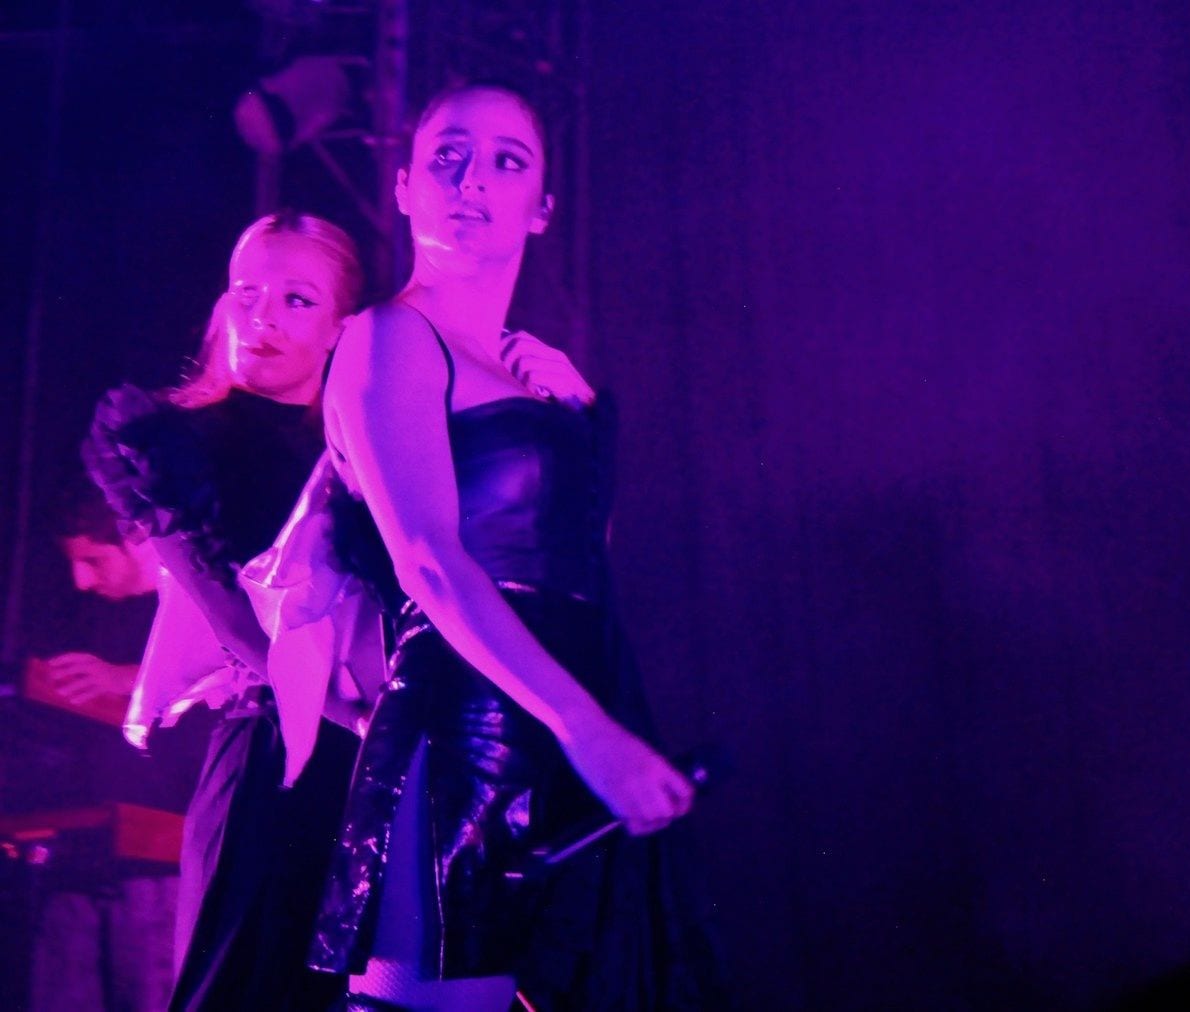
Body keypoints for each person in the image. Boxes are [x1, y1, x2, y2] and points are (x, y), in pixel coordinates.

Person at [308, 79, 727, 1009]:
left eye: (507, 161)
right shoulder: (390, 336)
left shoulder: (542, 379)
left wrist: (583, 420)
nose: (473, 178)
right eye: (447, 156)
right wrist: (586, 730)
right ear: (405, 188)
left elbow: (578, 564)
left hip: (570, 713)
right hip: (471, 719)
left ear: (541, 208)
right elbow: (427, 559)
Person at [84, 210, 367, 1011]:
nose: (263, 317)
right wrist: (361, 715)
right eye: (247, 292)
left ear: (340, 327)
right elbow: (232, 620)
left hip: (368, 761)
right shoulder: (175, 443)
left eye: (297, 300)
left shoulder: (361, 451)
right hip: (272, 757)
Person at [25, 482, 207, 1012]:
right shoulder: (93, 612)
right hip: (84, 848)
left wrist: (125, 680)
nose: (81, 580)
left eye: (93, 560)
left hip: (161, 859)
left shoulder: (197, 593)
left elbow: (233, 684)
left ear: (135, 539)